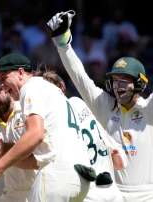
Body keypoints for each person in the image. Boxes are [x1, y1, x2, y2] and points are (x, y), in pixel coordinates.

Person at [47, 10, 153, 201]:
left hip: (147, 197)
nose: (117, 85)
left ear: (139, 83)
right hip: (111, 194)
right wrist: (62, 42)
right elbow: (80, 78)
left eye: (124, 80)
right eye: (115, 80)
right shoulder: (104, 105)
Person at [0, 53, 92, 202]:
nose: (2, 86)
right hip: (80, 177)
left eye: (3, 78)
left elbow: (35, 134)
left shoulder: (31, 87)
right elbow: (39, 158)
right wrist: (5, 154)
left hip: (56, 174)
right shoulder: (51, 90)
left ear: (20, 72)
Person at [42, 71, 126, 202]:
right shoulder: (78, 103)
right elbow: (120, 162)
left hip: (88, 194)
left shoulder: (53, 119)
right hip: (112, 192)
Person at [0, 75, 36, 202]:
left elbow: (37, 158)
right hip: (10, 195)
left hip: (38, 191)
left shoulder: (27, 112)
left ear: (7, 89)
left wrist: (4, 152)